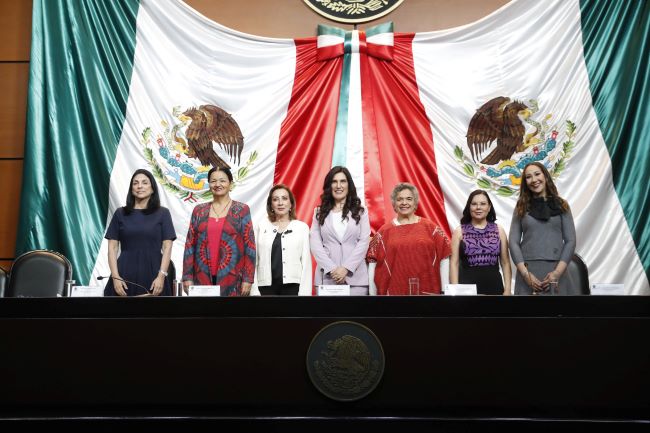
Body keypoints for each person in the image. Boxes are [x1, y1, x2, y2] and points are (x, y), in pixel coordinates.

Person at [182, 166, 255, 296]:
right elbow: (189, 245)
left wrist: (248, 278)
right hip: (201, 277)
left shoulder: (242, 210)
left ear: (230, 183)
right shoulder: (199, 210)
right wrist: (187, 276)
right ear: (209, 184)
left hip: (233, 277)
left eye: (222, 180)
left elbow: (249, 245)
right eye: (213, 181)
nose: (217, 184)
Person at [366, 183, 451, 295]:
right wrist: (372, 295)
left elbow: (444, 256)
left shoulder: (431, 228)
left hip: (428, 294)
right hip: (394, 295)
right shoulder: (383, 232)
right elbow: (373, 262)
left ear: (415, 202)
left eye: (409, 199)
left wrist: (445, 290)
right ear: (394, 204)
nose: (404, 203)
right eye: (399, 199)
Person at [104, 169, 175, 296]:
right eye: (135, 183)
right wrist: (115, 277)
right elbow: (112, 248)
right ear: (131, 188)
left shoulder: (163, 213)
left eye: (144, 183)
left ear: (152, 188)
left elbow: (167, 247)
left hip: (155, 274)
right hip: (123, 274)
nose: (139, 186)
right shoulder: (120, 213)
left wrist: (161, 276)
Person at [509, 162, 577, 295]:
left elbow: (571, 241)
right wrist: (525, 274)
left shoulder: (562, 205)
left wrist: (557, 273)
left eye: (537, 174)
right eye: (528, 177)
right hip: (528, 272)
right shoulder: (521, 206)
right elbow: (513, 242)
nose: (534, 180)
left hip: (557, 271)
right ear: (525, 182)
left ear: (545, 176)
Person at [310, 166, 370, 295]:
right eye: (334, 181)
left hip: (356, 280)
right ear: (329, 185)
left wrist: (346, 268)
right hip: (327, 279)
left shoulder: (361, 211)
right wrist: (332, 269)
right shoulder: (319, 212)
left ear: (349, 185)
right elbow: (315, 244)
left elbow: (364, 242)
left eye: (343, 181)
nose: (338, 186)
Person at [251, 185, 311, 296]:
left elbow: (306, 262)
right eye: (275, 199)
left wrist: (305, 294)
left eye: (284, 198)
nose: (280, 203)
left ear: (291, 204)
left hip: (293, 287)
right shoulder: (261, 226)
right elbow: (254, 261)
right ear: (271, 205)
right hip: (265, 288)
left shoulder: (302, 228)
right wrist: (254, 291)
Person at [449, 190, 512, 295]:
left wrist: (508, 290)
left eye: (483, 204)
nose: (478, 207)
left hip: (495, 289)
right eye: (474, 204)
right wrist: (455, 291)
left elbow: (505, 263)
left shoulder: (499, 230)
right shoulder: (459, 231)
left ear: (489, 207)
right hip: (467, 292)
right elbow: (454, 263)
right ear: (469, 207)